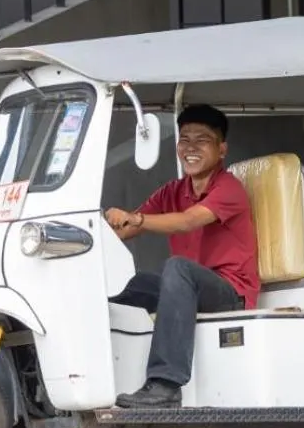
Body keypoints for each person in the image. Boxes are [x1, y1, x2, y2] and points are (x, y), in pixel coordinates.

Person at [105, 104, 258, 408]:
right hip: (186, 289)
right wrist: (96, 232)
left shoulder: (229, 188)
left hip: (230, 292)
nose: (190, 148)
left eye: (201, 140)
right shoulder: (173, 190)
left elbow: (187, 220)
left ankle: (166, 384)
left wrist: (136, 220)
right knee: (120, 283)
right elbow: (127, 228)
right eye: (184, 139)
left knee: (177, 268)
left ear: (222, 148)